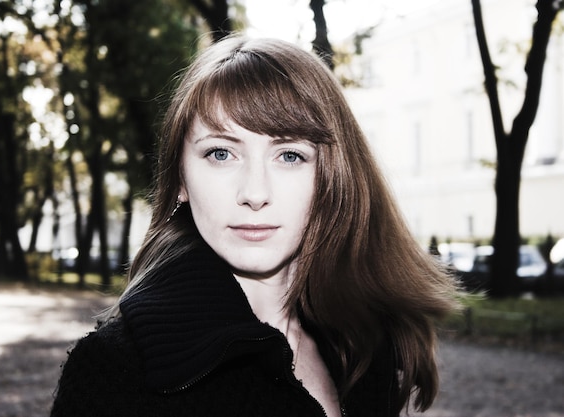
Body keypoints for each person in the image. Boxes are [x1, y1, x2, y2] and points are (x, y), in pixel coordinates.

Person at [50, 35, 459, 417]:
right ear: (179, 181)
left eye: (289, 156)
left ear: (332, 178)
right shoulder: (111, 373)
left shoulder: (365, 345)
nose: (255, 193)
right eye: (221, 154)